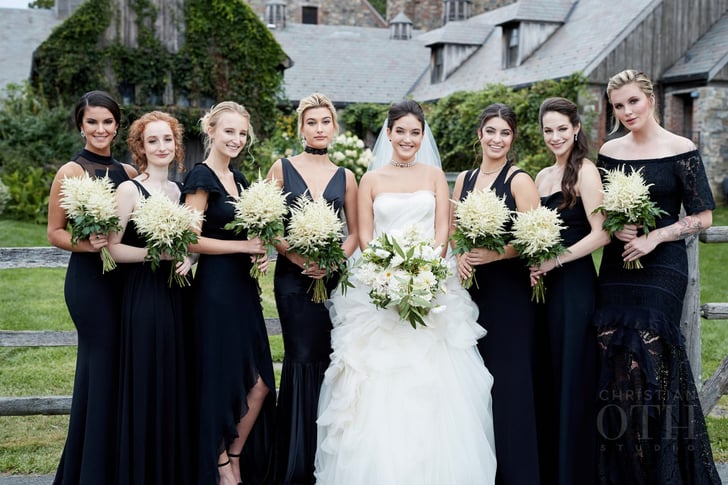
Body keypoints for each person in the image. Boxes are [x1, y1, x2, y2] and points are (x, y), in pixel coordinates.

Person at [315, 100, 496, 485]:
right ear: (389, 133)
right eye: (401, 132)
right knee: (375, 377)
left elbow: (443, 231)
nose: (408, 139)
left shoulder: (434, 176)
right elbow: (364, 234)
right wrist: (388, 275)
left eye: (416, 132)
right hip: (378, 288)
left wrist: (422, 273)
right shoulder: (372, 179)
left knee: (434, 378)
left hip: (430, 286)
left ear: (422, 135)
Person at [595, 69, 720, 484]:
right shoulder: (610, 151)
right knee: (613, 358)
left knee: (647, 359)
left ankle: (660, 471)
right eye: (618, 105)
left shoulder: (681, 148)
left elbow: (703, 216)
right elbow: (601, 213)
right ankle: (621, 469)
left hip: (662, 265)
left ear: (650, 98)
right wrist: (617, 227)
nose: (627, 111)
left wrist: (656, 236)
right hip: (617, 266)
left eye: (633, 101)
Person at [266, 93, 359, 485]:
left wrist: (334, 260)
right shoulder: (282, 169)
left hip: (332, 280)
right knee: (301, 358)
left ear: (334, 128)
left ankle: (327, 459)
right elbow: (269, 224)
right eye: (312, 122)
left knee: (328, 361)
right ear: (301, 127)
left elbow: (355, 232)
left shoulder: (347, 176)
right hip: (292, 279)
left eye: (325, 122)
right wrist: (297, 257)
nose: (319, 129)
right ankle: (294, 462)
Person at [183, 101, 276, 485]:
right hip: (214, 290)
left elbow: (248, 235)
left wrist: (258, 254)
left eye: (242, 133)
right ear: (211, 130)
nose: (236, 139)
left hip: (243, 288)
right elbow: (189, 239)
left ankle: (233, 454)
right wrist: (242, 248)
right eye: (229, 131)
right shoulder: (201, 177)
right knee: (221, 377)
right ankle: (220, 464)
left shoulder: (241, 181)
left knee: (260, 383)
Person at [47, 90, 137, 485]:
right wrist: (87, 244)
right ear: (81, 126)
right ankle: (88, 473)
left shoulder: (129, 174)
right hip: (90, 284)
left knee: (123, 371)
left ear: (117, 125)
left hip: (127, 284)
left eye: (107, 121)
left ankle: (118, 465)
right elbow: (54, 232)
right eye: (92, 122)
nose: (100, 129)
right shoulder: (71, 172)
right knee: (99, 371)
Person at [451, 103, 541, 485]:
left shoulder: (519, 179)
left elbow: (536, 238)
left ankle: (518, 474)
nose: (497, 139)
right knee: (475, 384)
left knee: (509, 384)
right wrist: (460, 257)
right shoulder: (464, 180)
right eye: (491, 131)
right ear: (480, 134)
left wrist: (495, 252)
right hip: (472, 294)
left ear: (512, 138)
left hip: (509, 294)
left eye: (504, 133)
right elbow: (456, 231)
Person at [107, 111, 194, 484]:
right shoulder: (129, 190)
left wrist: (188, 257)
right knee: (146, 375)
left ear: (177, 145)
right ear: (140, 147)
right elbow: (111, 250)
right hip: (143, 294)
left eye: (167, 140)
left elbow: (192, 243)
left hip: (177, 295)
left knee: (174, 377)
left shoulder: (181, 191)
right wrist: (157, 255)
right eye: (152, 141)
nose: (161, 147)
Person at [529, 97, 610, 485]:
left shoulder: (587, 172)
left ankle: (572, 473)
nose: (556, 136)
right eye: (548, 130)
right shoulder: (542, 177)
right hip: (541, 288)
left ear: (576, 128)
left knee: (571, 377)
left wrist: (555, 260)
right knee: (547, 373)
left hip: (573, 286)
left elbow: (603, 234)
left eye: (562, 128)